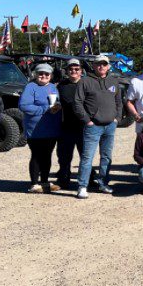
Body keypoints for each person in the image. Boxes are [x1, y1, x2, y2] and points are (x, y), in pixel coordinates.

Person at [71, 55, 122, 198]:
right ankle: (82, 186)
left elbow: (119, 102)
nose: (101, 66)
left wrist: (117, 119)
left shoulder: (113, 81)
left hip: (110, 126)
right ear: (93, 66)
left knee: (106, 156)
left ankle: (103, 183)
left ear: (108, 66)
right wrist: (87, 120)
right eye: (98, 64)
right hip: (93, 126)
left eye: (104, 64)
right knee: (87, 157)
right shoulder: (85, 81)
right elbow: (77, 103)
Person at [20, 63, 61, 193]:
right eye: (40, 73)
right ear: (36, 74)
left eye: (47, 74)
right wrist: (44, 109)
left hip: (51, 129)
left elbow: (56, 103)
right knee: (37, 155)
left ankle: (44, 181)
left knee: (47, 155)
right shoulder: (31, 87)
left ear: (51, 75)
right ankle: (34, 183)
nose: (43, 76)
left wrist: (57, 107)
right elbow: (24, 105)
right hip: (35, 129)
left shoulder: (53, 88)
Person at [55, 58, 86, 190]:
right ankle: (63, 179)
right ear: (67, 71)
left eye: (76, 69)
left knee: (85, 156)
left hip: (84, 127)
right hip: (66, 126)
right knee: (64, 156)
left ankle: (87, 180)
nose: (73, 71)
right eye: (71, 69)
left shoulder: (87, 84)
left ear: (81, 71)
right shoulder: (61, 86)